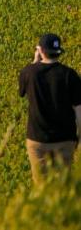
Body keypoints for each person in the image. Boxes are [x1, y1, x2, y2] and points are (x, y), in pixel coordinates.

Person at [18, 33, 81, 182]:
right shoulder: (70, 75)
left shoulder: (28, 73)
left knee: (41, 185)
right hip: (65, 139)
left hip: (37, 140)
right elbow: (79, 110)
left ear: (41, 51)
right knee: (64, 184)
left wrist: (35, 61)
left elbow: (22, 92)